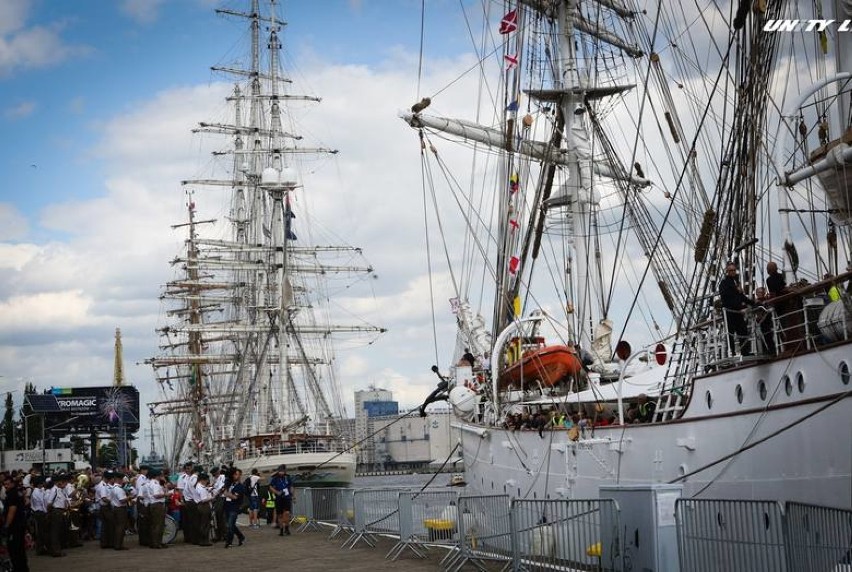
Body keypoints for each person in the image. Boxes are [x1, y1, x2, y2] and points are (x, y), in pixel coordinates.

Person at [719, 262, 753, 355]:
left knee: (743, 331)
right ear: (727, 271)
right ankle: (732, 353)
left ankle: (745, 352)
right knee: (730, 333)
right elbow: (726, 298)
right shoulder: (724, 283)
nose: (733, 272)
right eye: (731, 270)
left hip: (737, 312)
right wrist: (739, 306)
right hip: (730, 312)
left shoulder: (736, 282)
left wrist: (752, 303)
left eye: (734, 270)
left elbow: (741, 296)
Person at [3, 475, 30, 571]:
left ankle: (18, 568)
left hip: (14, 527)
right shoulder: (18, 493)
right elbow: (25, 502)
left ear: (12, 483)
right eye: (4, 484)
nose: (6, 486)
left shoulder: (11, 495)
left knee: (14, 549)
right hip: (20, 524)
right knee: (20, 549)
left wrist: (6, 525)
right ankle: (23, 567)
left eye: (7, 484)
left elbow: (12, 511)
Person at [223, 468, 246, 548]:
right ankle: (241, 536)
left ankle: (229, 542)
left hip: (234, 507)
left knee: (230, 525)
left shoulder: (240, 486)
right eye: (234, 474)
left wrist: (226, 493)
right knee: (231, 524)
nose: (235, 476)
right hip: (227, 506)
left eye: (237, 474)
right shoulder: (229, 483)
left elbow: (235, 497)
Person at [268, 465, 294, 536]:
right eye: (280, 471)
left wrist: (292, 495)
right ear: (278, 471)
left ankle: (287, 528)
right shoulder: (275, 478)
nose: (281, 472)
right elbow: (270, 487)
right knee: (279, 515)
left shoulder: (287, 478)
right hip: (279, 498)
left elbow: (291, 486)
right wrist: (277, 492)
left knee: (287, 513)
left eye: (282, 471)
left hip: (287, 498)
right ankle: (281, 530)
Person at [146, 470, 168, 549]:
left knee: (155, 524)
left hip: (154, 504)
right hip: (157, 505)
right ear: (157, 476)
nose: (162, 477)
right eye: (161, 475)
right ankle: (156, 543)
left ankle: (155, 542)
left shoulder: (153, 483)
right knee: (158, 524)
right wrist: (165, 494)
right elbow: (156, 495)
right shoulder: (155, 484)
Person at [194, 473, 213, 546]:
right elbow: (203, 499)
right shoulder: (201, 488)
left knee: (202, 523)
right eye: (206, 480)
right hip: (204, 506)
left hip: (199, 506)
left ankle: (202, 539)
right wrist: (212, 498)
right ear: (202, 480)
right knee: (205, 523)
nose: (207, 482)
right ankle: (204, 540)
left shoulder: (198, 486)